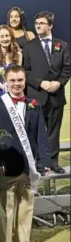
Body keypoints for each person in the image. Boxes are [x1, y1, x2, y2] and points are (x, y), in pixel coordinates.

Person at [0, 65, 51, 242]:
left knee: (26, 205)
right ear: (6, 82)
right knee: (3, 210)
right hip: (5, 165)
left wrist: (44, 162)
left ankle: (23, 241)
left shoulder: (34, 104)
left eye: (20, 80)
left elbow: (41, 134)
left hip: (27, 165)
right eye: (13, 80)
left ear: (25, 81)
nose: (17, 84)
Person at [23, 11, 70, 174]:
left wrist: (59, 83)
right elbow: (25, 71)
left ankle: (53, 162)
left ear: (50, 25)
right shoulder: (29, 46)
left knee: (54, 131)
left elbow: (66, 69)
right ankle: (39, 163)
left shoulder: (62, 45)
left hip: (56, 95)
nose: (38, 26)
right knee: (36, 130)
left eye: (42, 23)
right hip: (37, 95)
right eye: (37, 23)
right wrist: (40, 83)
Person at [0, 25, 22, 106]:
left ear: (11, 37)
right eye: (2, 36)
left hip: (14, 93)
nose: (5, 39)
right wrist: (4, 87)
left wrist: (12, 88)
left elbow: (18, 76)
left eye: (7, 36)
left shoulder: (18, 54)